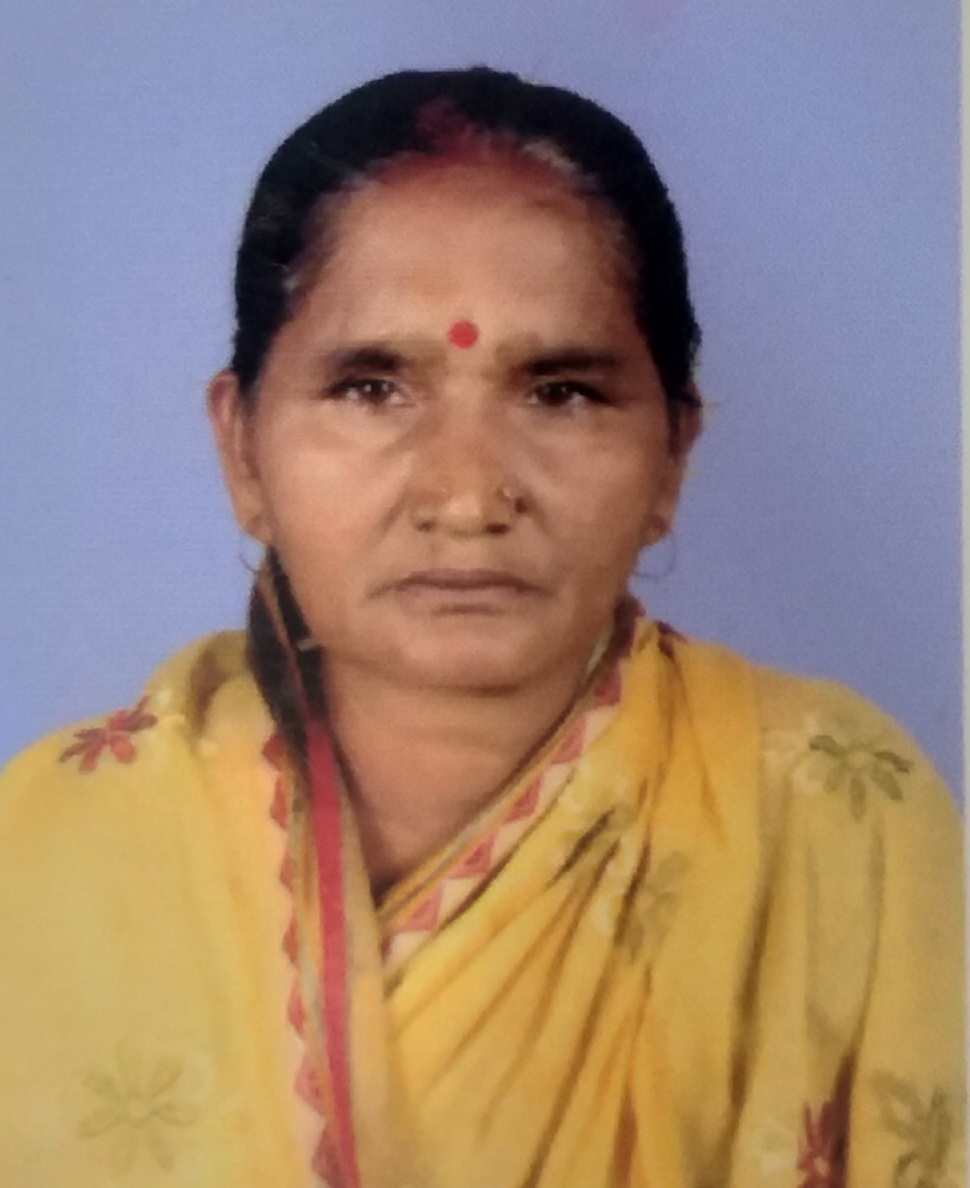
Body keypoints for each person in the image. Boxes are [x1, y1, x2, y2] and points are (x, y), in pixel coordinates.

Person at [0, 66, 962, 1188]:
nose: (466, 498)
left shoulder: (831, 813)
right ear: (242, 449)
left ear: (672, 455)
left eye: (560, 392)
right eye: (371, 388)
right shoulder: (48, 853)